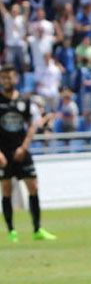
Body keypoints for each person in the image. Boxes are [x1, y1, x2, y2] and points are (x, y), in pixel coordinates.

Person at [0, 65, 56, 242]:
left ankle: (37, 229)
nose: (6, 81)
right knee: (6, 190)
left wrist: (23, 147)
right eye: (3, 78)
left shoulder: (25, 101)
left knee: (33, 187)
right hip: (4, 153)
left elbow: (32, 126)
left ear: (16, 79)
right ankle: (11, 232)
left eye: (9, 77)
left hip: (21, 151)